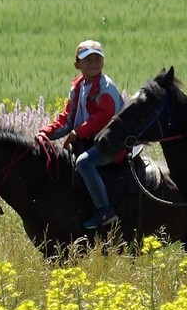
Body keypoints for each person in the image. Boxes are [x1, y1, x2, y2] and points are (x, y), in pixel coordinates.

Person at [38, 39, 124, 229]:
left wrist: (78, 132)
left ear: (103, 61)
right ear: (77, 64)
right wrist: (45, 134)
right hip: (90, 141)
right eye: (88, 60)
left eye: (97, 59)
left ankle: (104, 210)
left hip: (111, 142)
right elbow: (67, 119)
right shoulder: (78, 87)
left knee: (84, 162)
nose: (94, 63)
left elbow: (104, 116)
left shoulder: (106, 87)